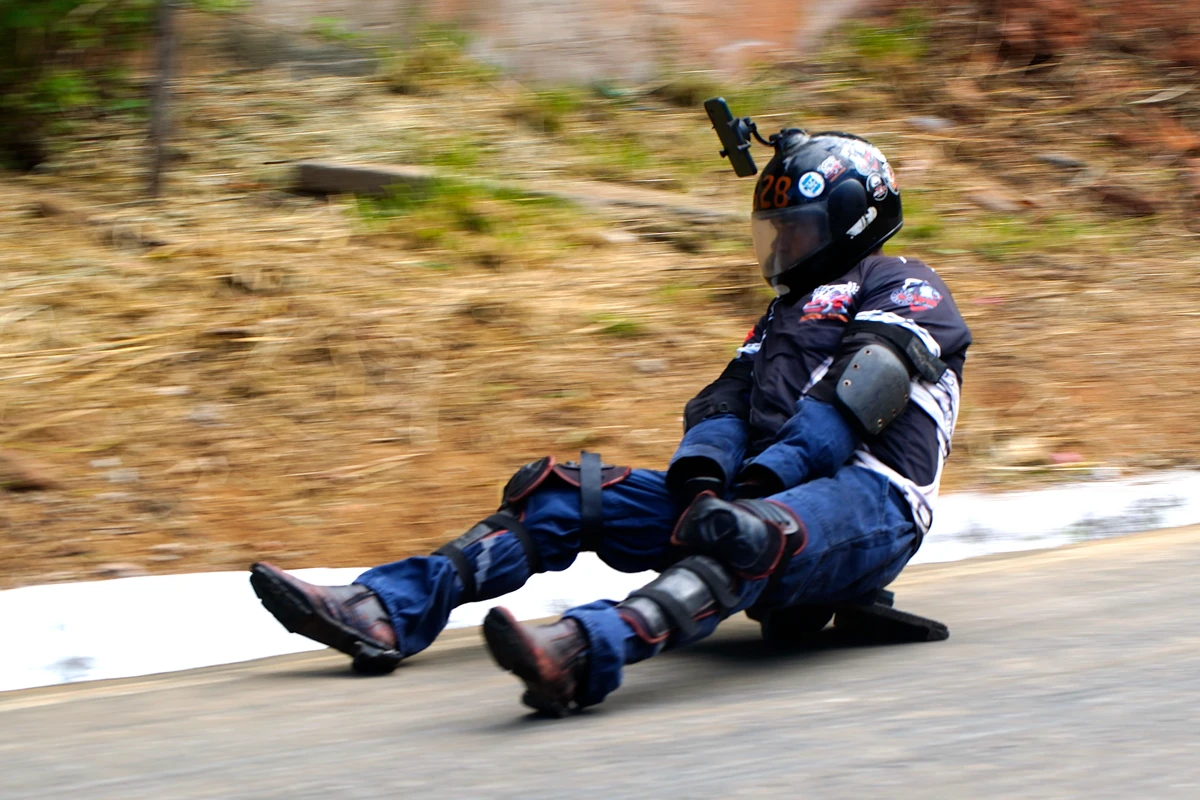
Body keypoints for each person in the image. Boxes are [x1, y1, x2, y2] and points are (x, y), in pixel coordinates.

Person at [250, 128, 971, 715]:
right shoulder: (781, 315)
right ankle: (382, 609)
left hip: (870, 501)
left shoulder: (904, 284)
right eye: (776, 231)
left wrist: (753, 487)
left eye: (801, 231)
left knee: (745, 535)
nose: (783, 248)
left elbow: (852, 402)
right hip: (756, 493)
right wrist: (701, 481)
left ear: (854, 220)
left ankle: (581, 651)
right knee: (560, 491)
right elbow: (725, 401)